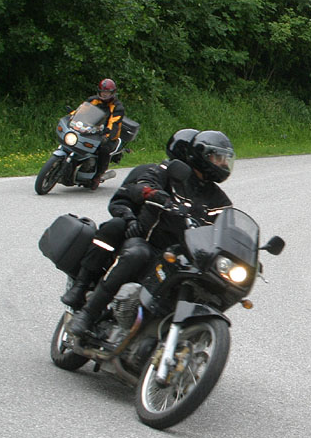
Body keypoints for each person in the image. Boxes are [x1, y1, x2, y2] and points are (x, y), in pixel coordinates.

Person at [67, 129, 235, 337]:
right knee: (135, 252)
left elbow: (226, 227)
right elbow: (142, 185)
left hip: (179, 253)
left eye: (225, 159)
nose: (223, 164)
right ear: (201, 155)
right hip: (147, 241)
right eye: (218, 158)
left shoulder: (218, 199)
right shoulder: (166, 172)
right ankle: (88, 313)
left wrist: (239, 250)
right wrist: (154, 195)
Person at [85, 78, 126, 188]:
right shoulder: (92, 100)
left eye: (107, 93)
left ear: (112, 93)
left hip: (108, 135)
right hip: (92, 130)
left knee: (104, 148)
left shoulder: (117, 107)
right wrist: (71, 117)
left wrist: (107, 136)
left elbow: (114, 123)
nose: (104, 95)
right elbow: (81, 110)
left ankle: (98, 175)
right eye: (103, 92)